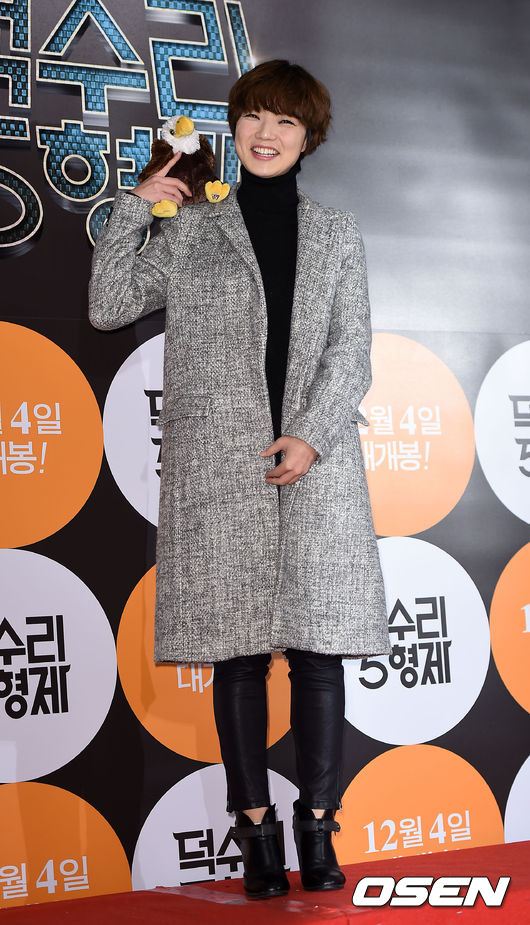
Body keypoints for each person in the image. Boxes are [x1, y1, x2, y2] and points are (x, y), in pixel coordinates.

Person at [89, 59, 391, 901]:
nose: (268, 133)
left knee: (321, 652)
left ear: (309, 137)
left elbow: (352, 349)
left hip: (317, 465)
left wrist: (310, 435)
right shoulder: (193, 229)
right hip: (222, 470)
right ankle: (255, 828)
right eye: (256, 116)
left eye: (286, 121)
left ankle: (318, 825)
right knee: (239, 654)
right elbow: (109, 304)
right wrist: (139, 206)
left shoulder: (336, 233)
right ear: (235, 127)